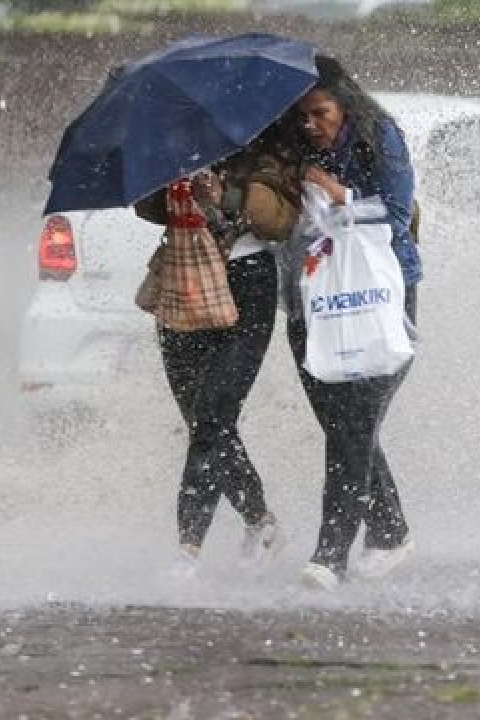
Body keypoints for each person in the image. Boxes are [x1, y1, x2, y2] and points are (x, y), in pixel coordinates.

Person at [134, 121, 303, 577]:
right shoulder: (171, 139)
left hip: (248, 284)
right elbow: (144, 206)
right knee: (201, 419)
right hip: (184, 277)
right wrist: (169, 181)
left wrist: (224, 195)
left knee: (213, 414)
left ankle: (188, 547)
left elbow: (279, 220)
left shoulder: (264, 138)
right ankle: (261, 522)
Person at [283, 55, 422, 591]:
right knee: (340, 424)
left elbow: (397, 212)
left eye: (320, 112)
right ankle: (389, 532)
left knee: (355, 422)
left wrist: (339, 195)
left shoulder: (379, 136)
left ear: (345, 105)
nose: (312, 125)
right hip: (314, 297)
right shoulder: (292, 149)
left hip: (379, 296)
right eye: (303, 116)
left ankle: (330, 553)